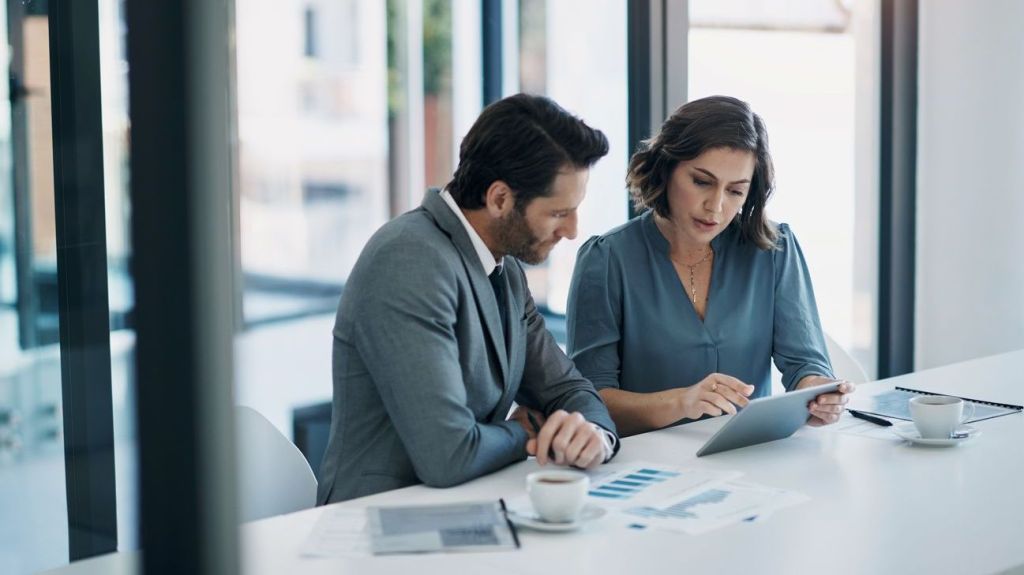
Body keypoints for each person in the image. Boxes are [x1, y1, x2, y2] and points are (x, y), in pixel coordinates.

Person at [317, 94, 620, 504]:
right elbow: (449, 454)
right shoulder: (408, 259)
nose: (572, 231)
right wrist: (528, 432)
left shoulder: (504, 268)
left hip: (469, 507)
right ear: (499, 199)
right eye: (558, 213)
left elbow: (567, 388)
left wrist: (592, 435)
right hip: (380, 523)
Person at [565, 95, 854, 437]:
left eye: (735, 191)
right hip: (645, 465)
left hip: (748, 455)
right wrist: (681, 402)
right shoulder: (606, 260)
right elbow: (588, 401)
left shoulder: (774, 250)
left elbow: (805, 363)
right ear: (667, 168)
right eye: (702, 181)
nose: (715, 207)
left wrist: (818, 392)